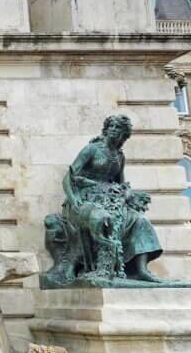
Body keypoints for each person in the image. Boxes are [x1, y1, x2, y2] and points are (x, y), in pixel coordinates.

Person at [61, 114, 164, 283]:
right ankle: (82, 264)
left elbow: (121, 184)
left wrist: (128, 195)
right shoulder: (92, 149)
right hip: (84, 199)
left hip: (110, 200)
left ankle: (141, 270)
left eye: (119, 129)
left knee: (141, 222)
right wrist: (73, 200)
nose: (114, 131)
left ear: (124, 134)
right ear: (106, 129)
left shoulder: (119, 156)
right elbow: (68, 177)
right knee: (103, 219)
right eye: (112, 127)